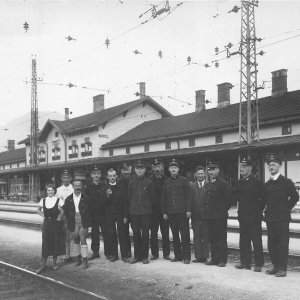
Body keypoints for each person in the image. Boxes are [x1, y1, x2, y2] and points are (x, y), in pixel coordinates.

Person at [264, 155, 299, 277]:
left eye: (273, 165)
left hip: (282, 219)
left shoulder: (286, 182)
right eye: (269, 165)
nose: (271, 167)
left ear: (279, 166)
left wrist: (286, 209)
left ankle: (283, 269)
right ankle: (275, 266)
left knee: (283, 244)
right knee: (272, 244)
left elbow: (295, 197)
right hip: (270, 218)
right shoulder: (267, 184)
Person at [235, 158, 265, 272]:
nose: (242, 169)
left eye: (244, 166)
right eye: (241, 167)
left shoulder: (257, 183)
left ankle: (258, 264)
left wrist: (256, 211)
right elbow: (238, 199)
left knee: (256, 241)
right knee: (244, 240)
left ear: (250, 168)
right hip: (243, 216)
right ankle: (245, 262)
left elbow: (263, 200)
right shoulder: (238, 182)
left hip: (254, 217)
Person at [161, 159, 193, 264]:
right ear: (169, 170)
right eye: (171, 168)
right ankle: (178, 256)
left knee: (185, 235)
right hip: (171, 212)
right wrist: (164, 212)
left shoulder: (184, 181)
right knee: (175, 235)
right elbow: (164, 198)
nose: (173, 169)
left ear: (178, 169)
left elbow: (189, 196)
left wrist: (188, 210)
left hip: (182, 212)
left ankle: (187, 257)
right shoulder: (166, 182)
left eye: (175, 168)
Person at [203, 161, 232, 267]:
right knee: (212, 238)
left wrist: (221, 212)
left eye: (213, 169)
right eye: (209, 170)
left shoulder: (223, 183)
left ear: (218, 170)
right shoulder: (208, 184)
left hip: (220, 216)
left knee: (221, 238)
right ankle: (214, 259)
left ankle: (222, 260)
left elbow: (228, 201)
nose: (211, 172)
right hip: (210, 216)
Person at [128, 160, 155, 264]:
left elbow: (152, 199)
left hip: (145, 212)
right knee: (135, 234)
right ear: (135, 170)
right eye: (138, 168)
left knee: (145, 235)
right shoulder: (131, 183)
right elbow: (129, 198)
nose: (139, 170)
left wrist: (146, 208)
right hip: (134, 212)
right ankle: (136, 256)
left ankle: (144, 257)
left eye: (141, 168)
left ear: (144, 170)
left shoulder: (149, 182)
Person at [63, 179, 92, 269]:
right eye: (76, 186)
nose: (78, 188)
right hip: (73, 221)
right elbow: (65, 211)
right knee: (75, 240)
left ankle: (85, 260)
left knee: (83, 239)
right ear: (73, 187)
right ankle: (78, 259)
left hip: (84, 221)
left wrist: (90, 225)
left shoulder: (86, 198)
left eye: (79, 185)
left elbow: (91, 212)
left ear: (82, 186)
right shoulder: (69, 199)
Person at [101, 168, 129, 262]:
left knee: (123, 234)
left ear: (116, 176)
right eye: (110, 176)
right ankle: (114, 255)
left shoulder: (121, 187)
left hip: (120, 214)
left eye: (114, 176)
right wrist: (107, 196)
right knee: (111, 235)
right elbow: (102, 204)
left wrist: (125, 216)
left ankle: (124, 255)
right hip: (109, 215)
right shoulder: (105, 188)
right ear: (107, 177)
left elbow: (125, 202)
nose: (112, 178)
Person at [36, 184, 65, 274]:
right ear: (46, 191)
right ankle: (43, 264)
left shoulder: (58, 200)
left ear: (55, 191)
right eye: (48, 190)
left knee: (55, 242)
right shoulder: (43, 200)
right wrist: (43, 215)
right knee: (46, 243)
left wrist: (60, 216)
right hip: (47, 224)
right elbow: (38, 210)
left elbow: (63, 209)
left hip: (56, 223)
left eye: (52, 190)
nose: (50, 192)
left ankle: (54, 263)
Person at [85, 166, 111, 261]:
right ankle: (95, 252)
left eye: (98, 173)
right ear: (91, 175)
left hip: (104, 214)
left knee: (106, 234)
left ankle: (108, 253)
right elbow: (86, 202)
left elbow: (108, 200)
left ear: (100, 175)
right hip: (93, 215)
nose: (96, 175)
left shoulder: (105, 185)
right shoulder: (88, 187)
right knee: (94, 234)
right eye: (94, 174)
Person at [150, 159, 171, 261]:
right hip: (153, 211)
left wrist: (166, 211)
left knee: (165, 233)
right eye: (155, 167)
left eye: (159, 167)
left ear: (162, 167)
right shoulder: (149, 180)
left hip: (164, 212)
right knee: (153, 233)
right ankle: (155, 254)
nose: (157, 169)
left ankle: (166, 254)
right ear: (153, 168)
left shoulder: (167, 180)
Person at [190, 166, 210, 263]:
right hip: (196, 214)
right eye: (198, 174)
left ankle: (205, 256)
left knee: (206, 236)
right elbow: (189, 200)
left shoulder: (209, 185)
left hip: (206, 215)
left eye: (202, 173)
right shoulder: (192, 186)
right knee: (197, 236)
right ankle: (198, 256)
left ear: (205, 175)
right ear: (195, 175)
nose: (200, 175)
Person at [55, 169, 74, 264]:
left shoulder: (74, 189)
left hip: (73, 215)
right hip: (62, 215)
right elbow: (56, 203)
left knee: (73, 235)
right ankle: (65, 255)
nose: (66, 179)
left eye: (68, 177)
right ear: (61, 178)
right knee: (64, 236)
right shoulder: (58, 190)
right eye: (64, 177)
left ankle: (74, 255)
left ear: (71, 178)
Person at [117, 163, 133, 258]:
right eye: (124, 170)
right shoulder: (119, 183)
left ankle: (138, 252)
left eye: (127, 170)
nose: (126, 172)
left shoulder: (134, 180)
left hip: (134, 209)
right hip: (124, 210)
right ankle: (127, 251)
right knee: (124, 232)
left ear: (130, 170)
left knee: (136, 231)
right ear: (121, 172)